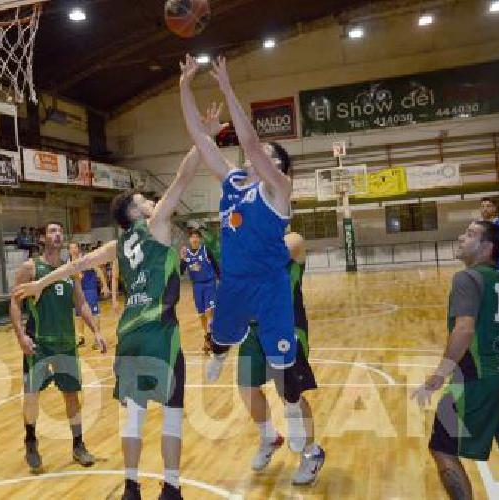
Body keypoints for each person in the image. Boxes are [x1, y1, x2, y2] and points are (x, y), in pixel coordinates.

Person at [13, 105, 219, 499]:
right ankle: (171, 490)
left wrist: (41, 283)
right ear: (135, 212)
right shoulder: (156, 223)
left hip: (129, 337)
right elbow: (184, 175)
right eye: (143, 200)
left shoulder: (117, 244)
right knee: (171, 414)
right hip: (159, 332)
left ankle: (130, 488)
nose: (149, 202)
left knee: (134, 417)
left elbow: (79, 263)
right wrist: (203, 135)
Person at [178, 54, 299, 377]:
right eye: (261, 156)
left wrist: (228, 89)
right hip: (233, 280)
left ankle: (290, 411)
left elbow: (252, 144)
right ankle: (220, 353)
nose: (260, 158)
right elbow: (199, 138)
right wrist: (184, 86)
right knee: (220, 338)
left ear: (278, 169)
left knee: (281, 365)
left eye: (271, 158)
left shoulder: (278, 189)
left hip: (270, 283)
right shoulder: (232, 180)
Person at [411, 220, 499, 500]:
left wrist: (439, 375)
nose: (461, 237)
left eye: (470, 234)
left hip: (475, 379)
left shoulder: (467, 278)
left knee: (443, 448)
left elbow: (464, 329)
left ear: (487, 247)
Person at [8, 222, 107, 474]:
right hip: (38, 343)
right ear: (42, 238)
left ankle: (78, 445)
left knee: (72, 395)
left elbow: (81, 303)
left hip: (66, 343)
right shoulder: (30, 268)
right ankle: (30, 441)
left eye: (60, 231)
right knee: (32, 396)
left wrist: (95, 330)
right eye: (52, 231)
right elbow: (15, 305)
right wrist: (21, 337)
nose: (57, 234)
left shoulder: (69, 270)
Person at [235, 233, 325, 485]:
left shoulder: (293, 240)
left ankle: (311, 454)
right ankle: (269, 437)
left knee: (288, 393)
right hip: (253, 329)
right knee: (246, 388)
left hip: (288, 327)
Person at [179, 228, 219, 353]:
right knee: (201, 314)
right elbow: (181, 271)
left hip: (209, 283)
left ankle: (210, 337)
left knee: (209, 311)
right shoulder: (187, 254)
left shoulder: (206, 250)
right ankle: (208, 335)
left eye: (197, 236)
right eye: (192, 237)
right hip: (197, 286)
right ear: (190, 240)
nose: (194, 239)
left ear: (199, 239)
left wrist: (221, 279)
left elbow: (215, 265)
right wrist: (182, 259)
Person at [69, 242, 111, 349]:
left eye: (74, 247)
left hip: (90, 290)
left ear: (78, 249)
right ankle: (81, 338)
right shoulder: (69, 262)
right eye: (71, 248)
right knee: (79, 315)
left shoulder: (86, 259)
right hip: (77, 291)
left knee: (94, 313)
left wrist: (104, 285)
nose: (73, 250)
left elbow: (99, 270)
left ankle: (97, 338)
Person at [480, 197, 499, 275]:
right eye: (482, 206)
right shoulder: (477, 225)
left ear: (494, 208)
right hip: (484, 267)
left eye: (488, 206)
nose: (485, 209)